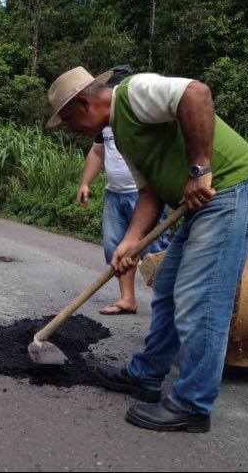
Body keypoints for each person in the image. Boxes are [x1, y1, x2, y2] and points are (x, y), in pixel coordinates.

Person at [46, 66, 248, 432]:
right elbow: (150, 193)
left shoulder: (134, 93)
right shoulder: (120, 134)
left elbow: (196, 94)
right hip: (205, 207)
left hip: (235, 192)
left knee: (199, 299)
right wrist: (130, 241)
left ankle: (192, 405)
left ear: (84, 104)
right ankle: (146, 376)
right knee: (167, 287)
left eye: (68, 119)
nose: (72, 130)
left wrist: (200, 169)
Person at [78, 68, 169, 316]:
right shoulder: (104, 126)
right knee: (116, 248)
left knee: (155, 251)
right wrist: (86, 183)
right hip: (114, 194)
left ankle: (165, 305)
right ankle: (127, 299)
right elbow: (98, 152)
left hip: (147, 195)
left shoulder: (138, 115)